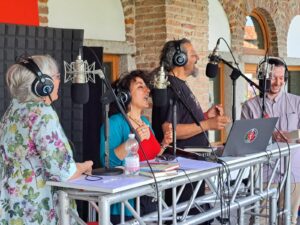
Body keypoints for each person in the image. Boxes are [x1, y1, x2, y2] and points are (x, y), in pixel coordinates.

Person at [0, 55, 93, 225]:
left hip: (10, 204)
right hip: (36, 209)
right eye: (57, 77)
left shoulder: (12, 110)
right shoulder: (42, 113)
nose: (59, 82)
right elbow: (64, 172)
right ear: (43, 85)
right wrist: (85, 166)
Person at [151, 38, 231, 224]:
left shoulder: (180, 84)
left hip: (192, 167)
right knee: (186, 218)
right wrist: (208, 124)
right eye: (192, 54)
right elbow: (171, 131)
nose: (197, 57)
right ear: (179, 58)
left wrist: (204, 115)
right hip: (180, 169)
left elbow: (184, 121)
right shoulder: (168, 88)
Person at [99, 70, 173, 224]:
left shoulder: (145, 121)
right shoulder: (115, 122)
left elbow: (151, 156)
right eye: (140, 87)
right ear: (125, 95)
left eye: (147, 87)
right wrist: (135, 140)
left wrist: (164, 144)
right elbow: (108, 162)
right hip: (127, 206)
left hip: (150, 197)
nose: (147, 91)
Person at [241, 56, 300, 225]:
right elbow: (245, 141)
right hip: (263, 173)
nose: (277, 82)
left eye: (281, 78)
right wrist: (268, 135)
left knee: (288, 220)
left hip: (293, 172)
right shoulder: (250, 106)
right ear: (263, 77)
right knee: (259, 220)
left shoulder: (297, 102)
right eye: (273, 77)